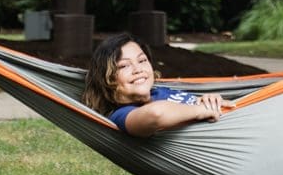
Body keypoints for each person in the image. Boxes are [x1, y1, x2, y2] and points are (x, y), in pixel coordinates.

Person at [81, 33, 227, 137]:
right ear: (106, 79)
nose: (138, 70)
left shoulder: (161, 92)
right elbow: (156, 114)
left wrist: (207, 100)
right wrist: (198, 110)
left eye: (142, 60)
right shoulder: (122, 115)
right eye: (124, 66)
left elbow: (205, 106)